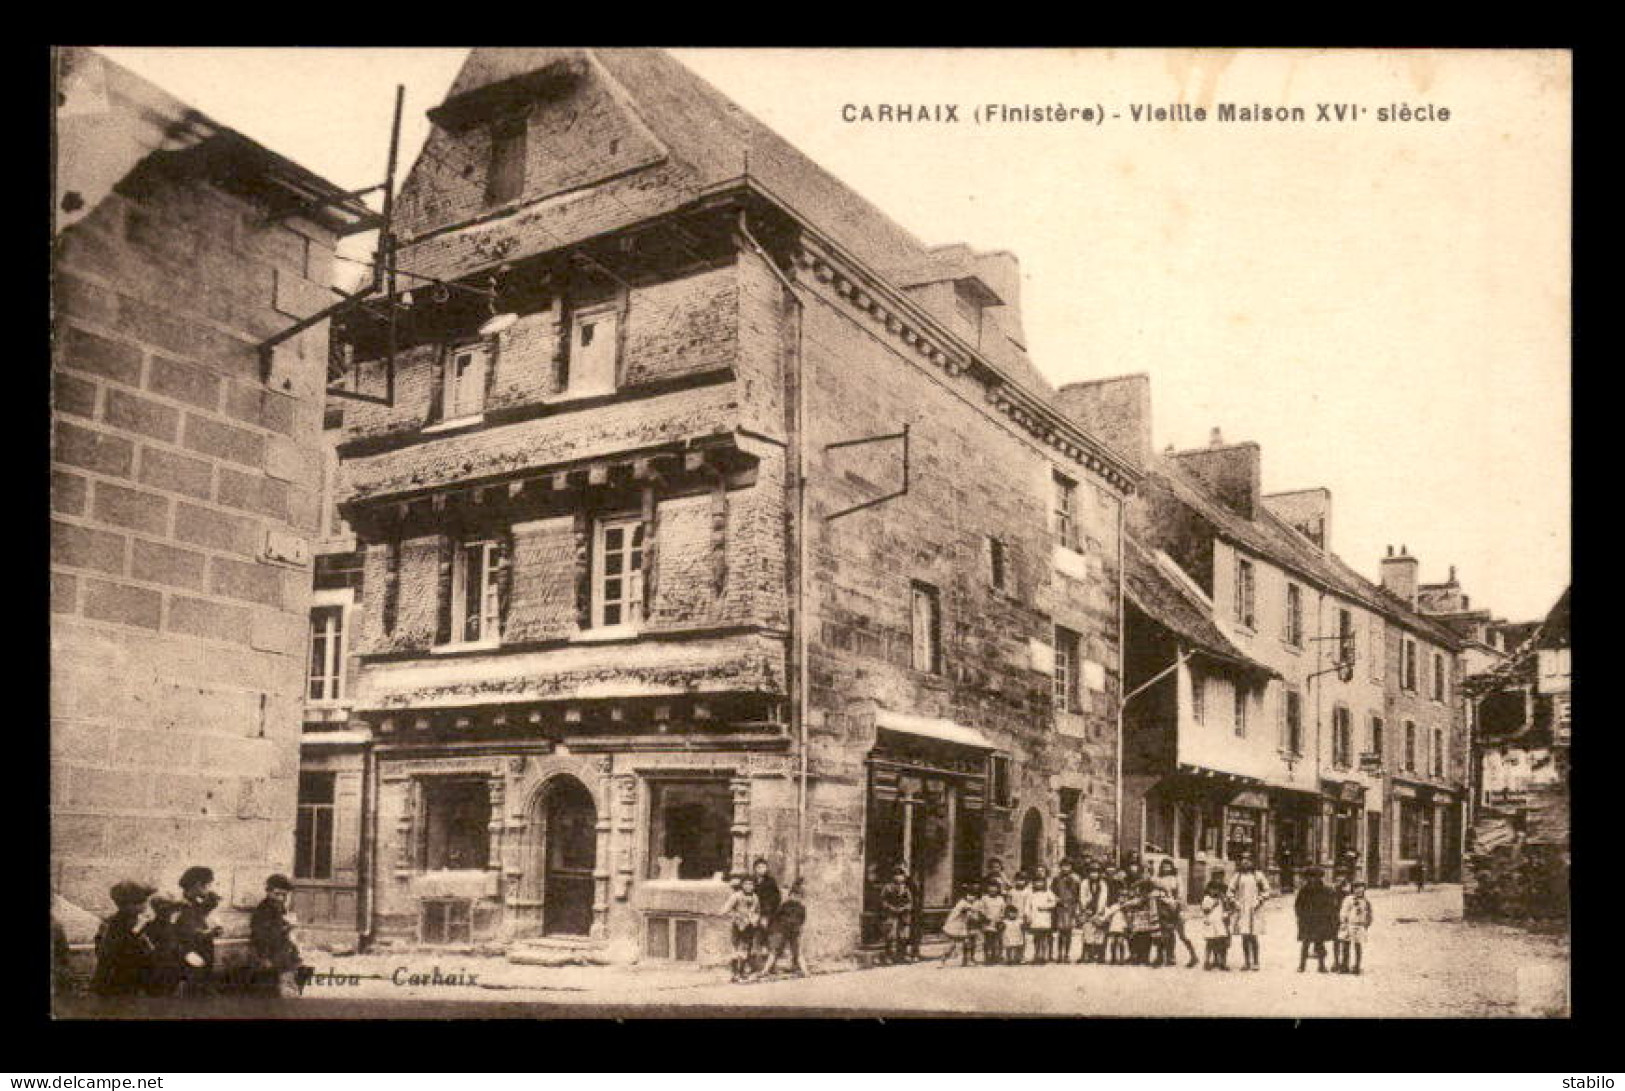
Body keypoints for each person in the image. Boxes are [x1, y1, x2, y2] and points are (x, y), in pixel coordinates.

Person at [91, 881, 158, 998]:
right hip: (117, 981)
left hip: (134, 980)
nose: (145, 905)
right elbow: (110, 952)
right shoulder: (114, 923)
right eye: (141, 901)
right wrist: (136, 932)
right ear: (127, 905)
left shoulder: (136, 921)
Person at [250, 874, 306, 998]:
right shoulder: (263, 910)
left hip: (284, 954)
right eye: (277, 894)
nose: (280, 898)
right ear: (268, 891)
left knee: (288, 986)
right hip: (270, 955)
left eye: (284, 895)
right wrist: (264, 958)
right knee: (273, 992)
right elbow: (260, 936)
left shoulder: (279, 906)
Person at [173, 865, 222, 997]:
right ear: (198, 885)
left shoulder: (195, 902)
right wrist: (210, 933)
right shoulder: (181, 906)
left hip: (202, 957)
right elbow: (186, 934)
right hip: (191, 959)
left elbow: (203, 913)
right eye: (208, 885)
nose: (210, 888)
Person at [1226, 854, 1271, 971]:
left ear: (1252, 862)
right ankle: (1246, 962)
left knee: (1254, 936)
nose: (1245, 862)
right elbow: (1230, 891)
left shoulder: (1257, 875)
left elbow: (1267, 890)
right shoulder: (1238, 876)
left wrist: (1260, 900)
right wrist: (1234, 902)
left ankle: (1256, 961)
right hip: (1242, 909)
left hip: (1254, 909)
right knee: (1244, 937)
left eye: (1248, 860)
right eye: (1243, 860)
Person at [1294, 866, 1341, 973]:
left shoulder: (1325, 890)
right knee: (1306, 943)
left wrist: (1328, 917)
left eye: (1316, 877)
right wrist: (1300, 916)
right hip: (1307, 921)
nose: (1313, 879)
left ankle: (1321, 965)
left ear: (1320, 877)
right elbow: (1298, 905)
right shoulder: (1304, 891)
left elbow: (1330, 905)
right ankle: (1302, 965)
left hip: (1320, 921)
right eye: (1310, 877)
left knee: (1319, 943)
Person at [1155, 859, 1199, 968]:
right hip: (1163, 909)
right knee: (1165, 934)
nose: (1166, 869)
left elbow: (1181, 893)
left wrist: (1176, 903)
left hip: (1175, 908)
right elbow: (1156, 892)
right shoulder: (1158, 879)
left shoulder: (1176, 878)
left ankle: (1193, 956)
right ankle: (1166, 957)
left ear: (1172, 867)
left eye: (1168, 866)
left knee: (1182, 934)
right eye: (1164, 867)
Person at [764, 877, 809, 977]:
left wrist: (799, 929)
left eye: (798, 896)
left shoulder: (801, 908)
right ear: (790, 895)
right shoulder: (785, 905)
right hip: (782, 931)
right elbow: (776, 916)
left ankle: (805, 971)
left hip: (794, 932)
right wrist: (776, 929)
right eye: (793, 895)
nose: (795, 897)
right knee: (774, 951)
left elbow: (802, 920)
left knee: (797, 952)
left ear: (801, 897)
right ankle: (765, 970)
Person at [722, 875, 759, 982]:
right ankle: (734, 974)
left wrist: (755, 919)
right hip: (737, 925)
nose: (749, 886)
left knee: (745, 949)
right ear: (742, 885)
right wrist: (737, 916)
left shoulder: (755, 898)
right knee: (735, 949)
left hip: (749, 926)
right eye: (746, 884)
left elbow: (757, 911)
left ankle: (741, 972)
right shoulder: (736, 896)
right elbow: (726, 910)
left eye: (751, 884)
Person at [750, 857, 782, 972]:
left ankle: (771, 966)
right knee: (755, 940)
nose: (761, 869)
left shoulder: (770, 882)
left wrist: (767, 915)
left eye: (763, 867)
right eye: (759, 867)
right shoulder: (751, 881)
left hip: (768, 915)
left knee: (769, 941)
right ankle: (755, 966)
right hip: (754, 914)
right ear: (754, 869)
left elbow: (776, 898)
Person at [878, 866, 914, 965]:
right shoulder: (887, 887)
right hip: (891, 914)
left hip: (903, 915)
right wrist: (891, 908)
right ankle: (889, 956)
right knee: (891, 936)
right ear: (893, 877)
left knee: (903, 936)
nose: (900, 879)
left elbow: (910, 902)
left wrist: (905, 908)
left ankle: (902, 955)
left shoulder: (905, 889)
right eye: (897, 876)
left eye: (901, 876)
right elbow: (883, 901)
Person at [1338, 880, 1374, 975]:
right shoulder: (1348, 899)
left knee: (1358, 946)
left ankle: (1357, 965)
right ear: (1352, 889)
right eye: (1356, 888)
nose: (1358, 890)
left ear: (1364, 890)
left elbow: (1369, 914)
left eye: (1360, 888)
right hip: (1349, 924)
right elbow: (1344, 911)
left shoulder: (1366, 902)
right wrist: (1343, 921)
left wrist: (1367, 923)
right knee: (1346, 945)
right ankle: (1345, 965)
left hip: (1359, 925)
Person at [942, 882, 979, 967]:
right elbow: (970, 911)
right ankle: (943, 959)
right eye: (970, 895)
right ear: (966, 895)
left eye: (974, 896)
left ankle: (966, 960)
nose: (972, 897)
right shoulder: (962, 903)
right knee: (952, 945)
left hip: (961, 926)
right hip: (954, 926)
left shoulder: (967, 903)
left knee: (966, 942)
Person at [1078, 864, 1110, 963]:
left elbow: (1103, 898)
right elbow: (1082, 897)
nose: (1094, 875)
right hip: (1088, 910)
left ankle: (1100, 955)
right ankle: (1087, 955)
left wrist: (1099, 911)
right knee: (1087, 931)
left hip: (1099, 910)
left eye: (1096, 872)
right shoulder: (1084, 883)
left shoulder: (1103, 884)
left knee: (1099, 932)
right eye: (1092, 872)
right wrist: (1085, 908)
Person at [1051, 860, 1081, 964]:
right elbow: (1052, 892)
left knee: (1068, 932)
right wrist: (1057, 900)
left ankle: (1067, 954)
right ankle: (1059, 954)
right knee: (1060, 932)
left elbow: (1078, 894)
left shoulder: (1076, 879)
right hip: (1060, 907)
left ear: (1071, 867)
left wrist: (1077, 907)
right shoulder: (1056, 878)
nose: (1065, 868)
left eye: (1068, 866)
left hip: (1071, 907)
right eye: (1063, 866)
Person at [1200, 877, 1232, 971]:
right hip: (1210, 923)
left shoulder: (1222, 900)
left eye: (1217, 889)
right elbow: (1205, 910)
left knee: (1222, 943)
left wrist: (1227, 914)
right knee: (1210, 943)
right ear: (1208, 890)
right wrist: (1213, 904)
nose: (1215, 891)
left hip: (1220, 924)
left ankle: (1222, 962)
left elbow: (1227, 910)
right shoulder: (1207, 899)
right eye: (1212, 889)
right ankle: (1207, 961)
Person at [1028, 868, 1056, 964]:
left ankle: (1043, 956)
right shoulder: (1031, 893)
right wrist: (1027, 915)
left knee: (1044, 938)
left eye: (1041, 882)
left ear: (1044, 883)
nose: (1038, 884)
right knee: (1036, 938)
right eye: (1036, 882)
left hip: (1044, 918)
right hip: (1035, 918)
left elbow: (1053, 902)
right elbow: (1027, 905)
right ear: (1033, 883)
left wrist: (1045, 907)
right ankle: (1036, 955)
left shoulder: (1047, 892)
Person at [978, 879, 1007, 965]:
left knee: (997, 940)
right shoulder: (984, 898)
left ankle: (996, 956)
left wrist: (1001, 919)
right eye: (990, 887)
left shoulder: (1000, 899)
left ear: (998, 889)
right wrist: (984, 917)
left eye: (995, 887)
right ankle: (987, 957)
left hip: (997, 922)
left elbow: (1003, 910)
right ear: (987, 888)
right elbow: (981, 909)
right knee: (988, 941)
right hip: (988, 923)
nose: (993, 889)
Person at [1330, 877, 1353, 973]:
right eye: (1337, 883)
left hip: (1345, 921)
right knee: (1337, 942)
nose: (1338, 886)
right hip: (1335, 921)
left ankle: (1344, 964)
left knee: (1345, 942)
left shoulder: (1348, 896)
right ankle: (1336, 962)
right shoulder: (1332, 895)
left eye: (1341, 884)